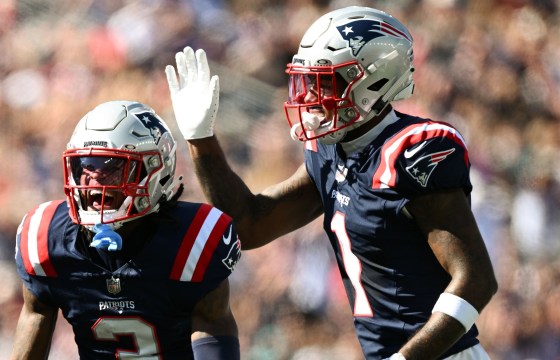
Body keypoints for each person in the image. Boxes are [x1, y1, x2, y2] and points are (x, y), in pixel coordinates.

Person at [165, 6, 497, 360]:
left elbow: (476, 280)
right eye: (308, 81)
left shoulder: (414, 149)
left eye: (325, 81)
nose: (309, 96)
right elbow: (249, 225)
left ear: (375, 79)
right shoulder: (329, 150)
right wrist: (201, 140)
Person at [10, 101, 242, 360]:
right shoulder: (46, 240)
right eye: (85, 166)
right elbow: (35, 320)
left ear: (155, 171)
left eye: (112, 168)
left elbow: (213, 333)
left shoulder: (193, 242)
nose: (95, 181)